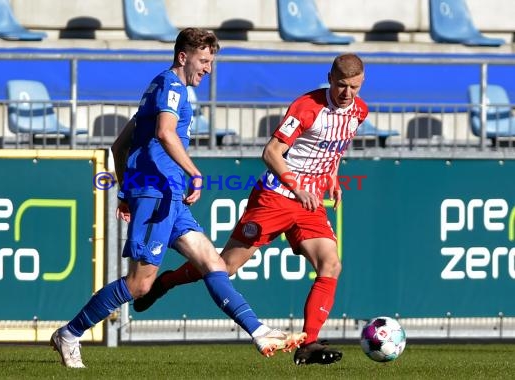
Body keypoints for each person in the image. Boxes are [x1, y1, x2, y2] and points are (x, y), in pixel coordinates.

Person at [50, 27, 305, 369]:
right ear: (183, 57)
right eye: (203, 61)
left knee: (212, 262)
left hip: (165, 193)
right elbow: (165, 133)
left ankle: (259, 332)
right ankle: (70, 333)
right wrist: (194, 173)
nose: (208, 69)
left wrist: (127, 191)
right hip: (156, 193)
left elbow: (119, 146)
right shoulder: (170, 86)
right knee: (140, 285)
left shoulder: (159, 88)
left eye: (211, 62)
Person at [132, 53, 368, 366]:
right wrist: (297, 187)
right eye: (341, 85)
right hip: (276, 197)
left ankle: (309, 343)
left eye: (354, 87)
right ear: (329, 78)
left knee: (331, 265)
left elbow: (333, 148)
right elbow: (271, 152)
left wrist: (333, 179)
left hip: (310, 203)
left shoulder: (359, 111)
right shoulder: (307, 107)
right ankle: (166, 282)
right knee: (225, 267)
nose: (347, 93)